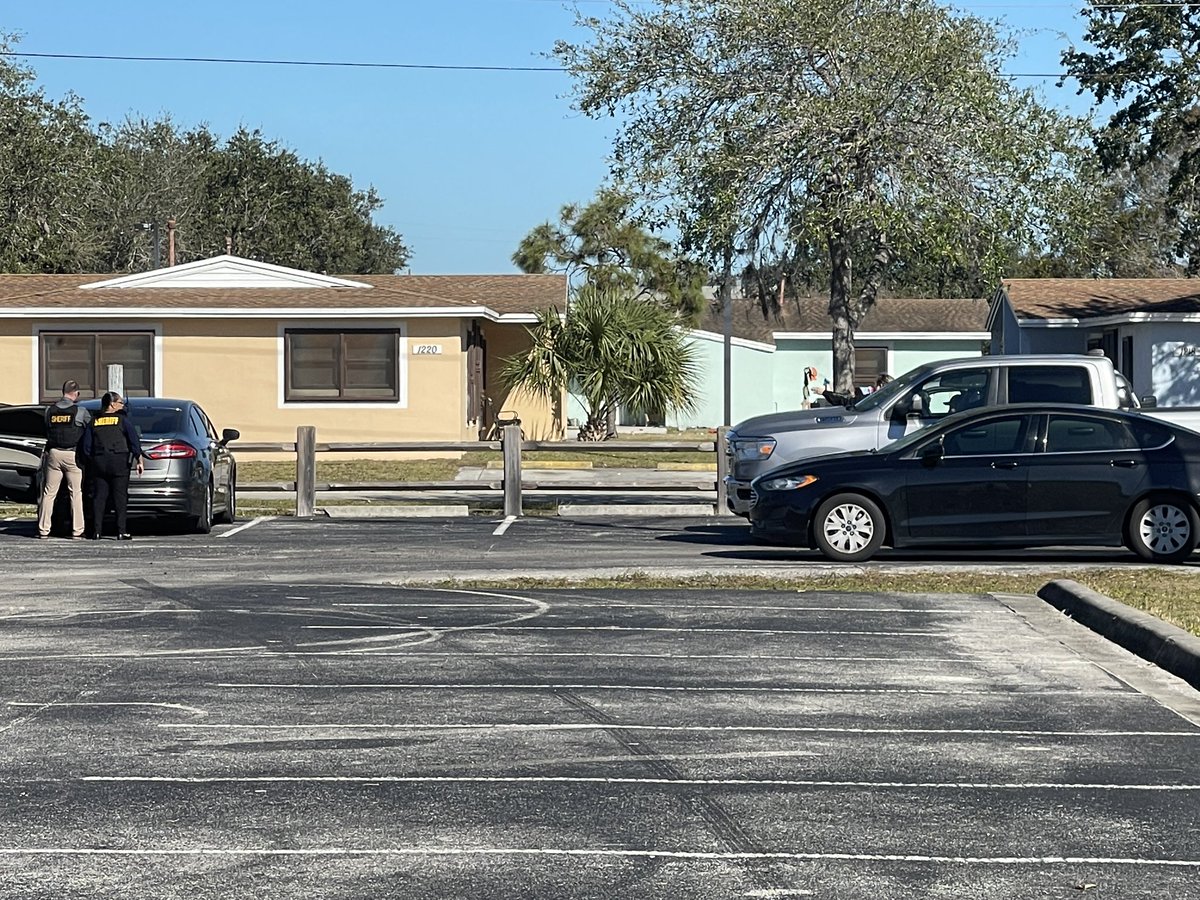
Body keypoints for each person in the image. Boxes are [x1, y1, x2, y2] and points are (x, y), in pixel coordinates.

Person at [82, 391, 144, 541]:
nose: (122, 406)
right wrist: (139, 459)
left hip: (99, 463)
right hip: (119, 463)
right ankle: (121, 531)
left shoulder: (94, 421)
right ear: (112, 404)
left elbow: (86, 447)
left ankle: (96, 532)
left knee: (99, 498)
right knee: (120, 497)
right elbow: (134, 441)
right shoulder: (122, 421)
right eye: (120, 403)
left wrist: (92, 462)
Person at [36, 379, 91, 540]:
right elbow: (90, 429)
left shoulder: (49, 411)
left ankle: (43, 529)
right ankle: (77, 530)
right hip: (72, 455)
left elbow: (46, 430)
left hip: (53, 454)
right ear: (76, 393)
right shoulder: (80, 411)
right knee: (76, 493)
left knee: (48, 493)